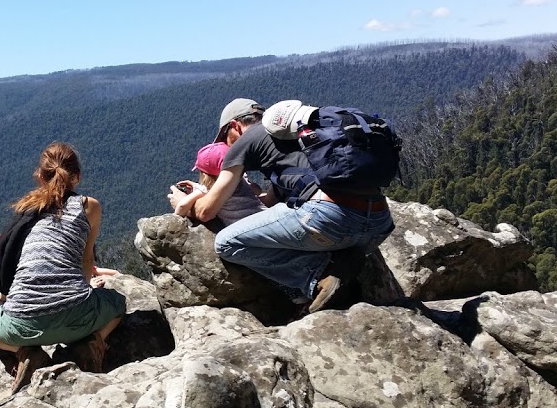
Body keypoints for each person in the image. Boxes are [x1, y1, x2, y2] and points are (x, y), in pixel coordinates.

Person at [168, 98, 394, 313]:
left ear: (235, 126)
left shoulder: (244, 143)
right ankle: (342, 260)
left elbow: (207, 211)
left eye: (225, 139)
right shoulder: (296, 135)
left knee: (226, 243)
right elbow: (270, 202)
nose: (224, 148)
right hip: (377, 225)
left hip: (331, 221)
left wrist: (185, 201)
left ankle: (321, 273)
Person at [0, 142, 127, 394]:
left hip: (21, 322)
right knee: (118, 305)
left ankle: (27, 354)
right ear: (78, 177)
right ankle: (90, 344)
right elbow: (85, 261)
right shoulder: (89, 206)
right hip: (77, 315)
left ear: (39, 176)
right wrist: (86, 289)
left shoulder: (26, 210)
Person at [170, 141, 267, 228]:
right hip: (266, 217)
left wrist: (175, 218)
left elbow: (182, 206)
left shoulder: (206, 190)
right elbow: (257, 190)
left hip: (246, 228)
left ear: (204, 174)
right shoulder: (241, 181)